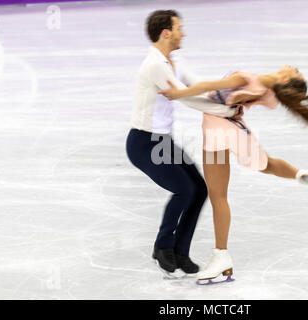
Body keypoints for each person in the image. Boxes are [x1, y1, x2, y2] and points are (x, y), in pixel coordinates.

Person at [159, 66, 308, 284]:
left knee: (218, 197)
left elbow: (208, 87)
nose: (296, 68)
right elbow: (230, 98)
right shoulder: (269, 92)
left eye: (296, 72)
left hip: (217, 130)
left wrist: (178, 94)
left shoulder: (248, 79)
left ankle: (221, 257)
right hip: (236, 129)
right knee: (266, 164)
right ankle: (300, 174)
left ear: (285, 77)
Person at [126, 10, 243, 278]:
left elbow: (194, 86)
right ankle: (162, 246)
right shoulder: (155, 65)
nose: (184, 33)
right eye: (180, 28)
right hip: (144, 142)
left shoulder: (174, 58)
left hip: (161, 141)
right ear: (166, 32)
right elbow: (185, 98)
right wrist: (225, 112)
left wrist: (217, 95)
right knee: (183, 190)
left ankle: (181, 252)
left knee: (199, 189)